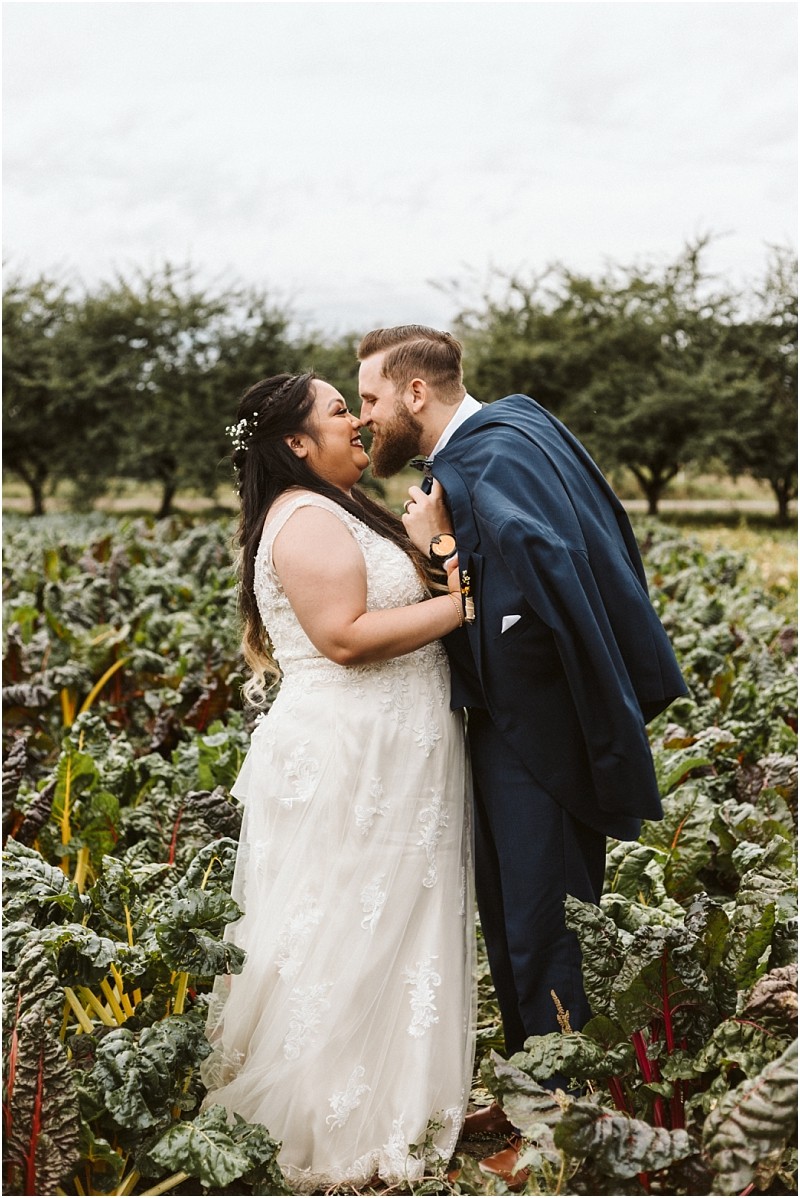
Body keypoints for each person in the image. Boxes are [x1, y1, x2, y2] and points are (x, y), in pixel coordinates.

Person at [357, 327, 687, 1128]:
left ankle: (564, 1113)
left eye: (369, 398)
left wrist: (436, 546)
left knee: (540, 918)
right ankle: (534, 1090)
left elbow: (540, 568)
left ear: (414, 393)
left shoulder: (490, 459)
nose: (365, 419)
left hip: (536, 727)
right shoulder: (519, 424)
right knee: (514, 914)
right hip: (518, 724)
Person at [202, 372, 476, 1191]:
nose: (358, 421)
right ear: (295, 441)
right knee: (342, 933)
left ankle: (384, 1103)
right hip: (355, 756)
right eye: (337, 411)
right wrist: (468, 600)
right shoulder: (305, 519)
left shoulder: (343, 506)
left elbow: (398, 602)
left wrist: (434, 546)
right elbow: (347, 638)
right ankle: (326, 1123)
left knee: (389, 925)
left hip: (398, 748)